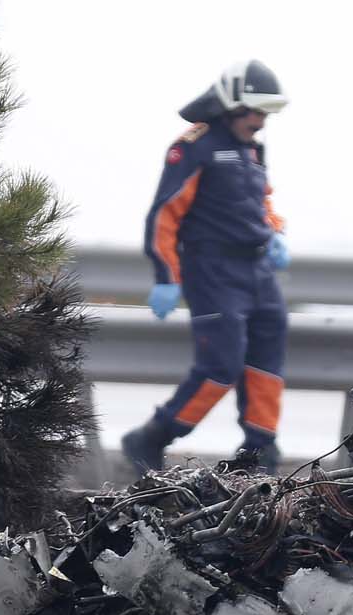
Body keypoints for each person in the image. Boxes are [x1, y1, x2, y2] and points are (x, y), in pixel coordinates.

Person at [122, 59, 292, 476]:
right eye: (257, 111)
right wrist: (165, 278)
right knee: (222, 366)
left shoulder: (253, 148)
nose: (262, 121)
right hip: (213, 273)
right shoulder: (194, 146)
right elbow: (164, 215)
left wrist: (275, 232)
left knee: (267, 354)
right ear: (233, 104)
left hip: (258, 272)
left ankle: (260, 450)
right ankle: (153, 436)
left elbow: (260, 201)